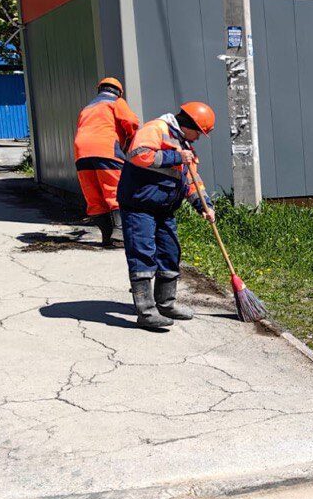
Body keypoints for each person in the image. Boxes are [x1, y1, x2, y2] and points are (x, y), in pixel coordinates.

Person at [117, 102, 217, 330]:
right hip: (139, 204)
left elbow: (191, 179)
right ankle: (146, 311)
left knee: (170, 253)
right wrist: (175, 157)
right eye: (199, 133)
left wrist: (204, 205)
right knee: (142, 254)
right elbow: (138, 155)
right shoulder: (155, 129)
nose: (198, 138)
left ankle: (166, 303)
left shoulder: (185, 145)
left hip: (165, 208)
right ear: (188, 124)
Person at [73, 78, 141, 247]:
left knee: (94, 196)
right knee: (115, 192)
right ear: (118, 91)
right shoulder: (116, 102)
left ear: (100, 90)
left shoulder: (87, 108)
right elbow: (132, 122)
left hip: (81, 153)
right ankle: (119, 234)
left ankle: (106, 236)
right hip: (106, 150)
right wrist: (130, 138)